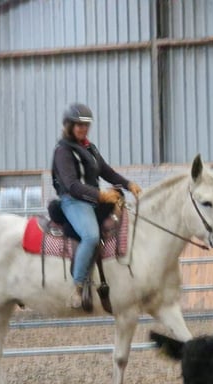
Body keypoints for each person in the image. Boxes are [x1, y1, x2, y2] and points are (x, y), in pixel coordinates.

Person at [51, 103, 143, 309]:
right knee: (91, 235)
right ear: (69, 126)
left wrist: (128, 184)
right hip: (73, 201)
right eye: (79, 125)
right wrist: (101, 195)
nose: (83, 129)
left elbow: (106, 171)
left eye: (86, 125)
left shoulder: (89, 148)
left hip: (91, 200)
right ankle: (77, 286)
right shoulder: (63, 151)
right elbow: (72, 185)